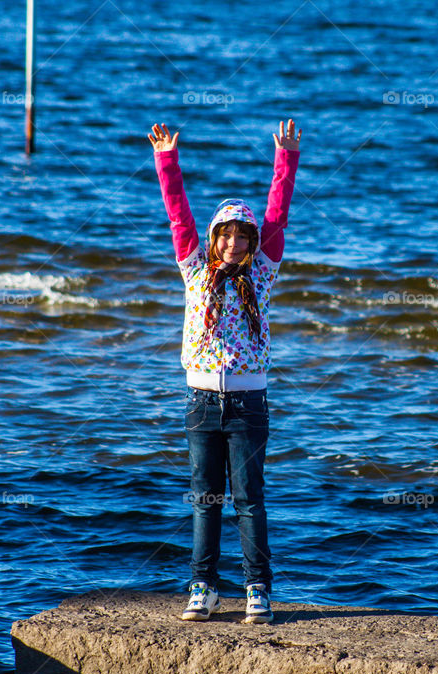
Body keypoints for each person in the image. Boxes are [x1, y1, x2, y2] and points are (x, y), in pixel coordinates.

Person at [148, 119, 301, 623]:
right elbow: (178, 216)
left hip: (248, 404)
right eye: (226, 234)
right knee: (205, 497)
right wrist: (168, 161)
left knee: (249, 500)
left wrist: (286, 160)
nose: (234, 242)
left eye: (243, 235)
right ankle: (204, 586)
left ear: (253, 240)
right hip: (200, 403)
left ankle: (257, 589)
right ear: (213, 240)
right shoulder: (194, 268)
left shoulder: (262, 271)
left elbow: (278, 214)